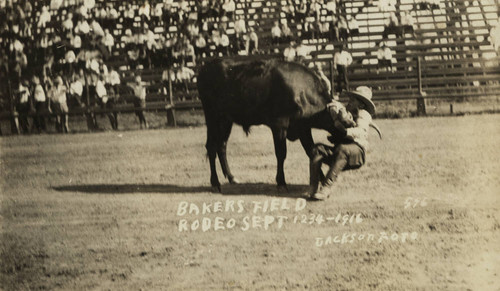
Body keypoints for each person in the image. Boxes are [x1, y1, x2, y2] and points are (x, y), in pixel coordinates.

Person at [307, 86, 376, 200]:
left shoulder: (363, 114)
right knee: (317, 149)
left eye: (353, 100)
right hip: (341, 152)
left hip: (357, 153)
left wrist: (345, 131)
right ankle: (313, 186)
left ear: (361, 105)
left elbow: (361, 132)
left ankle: (326, 187)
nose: (350, 101)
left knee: (343, 149)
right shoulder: (344, 112)